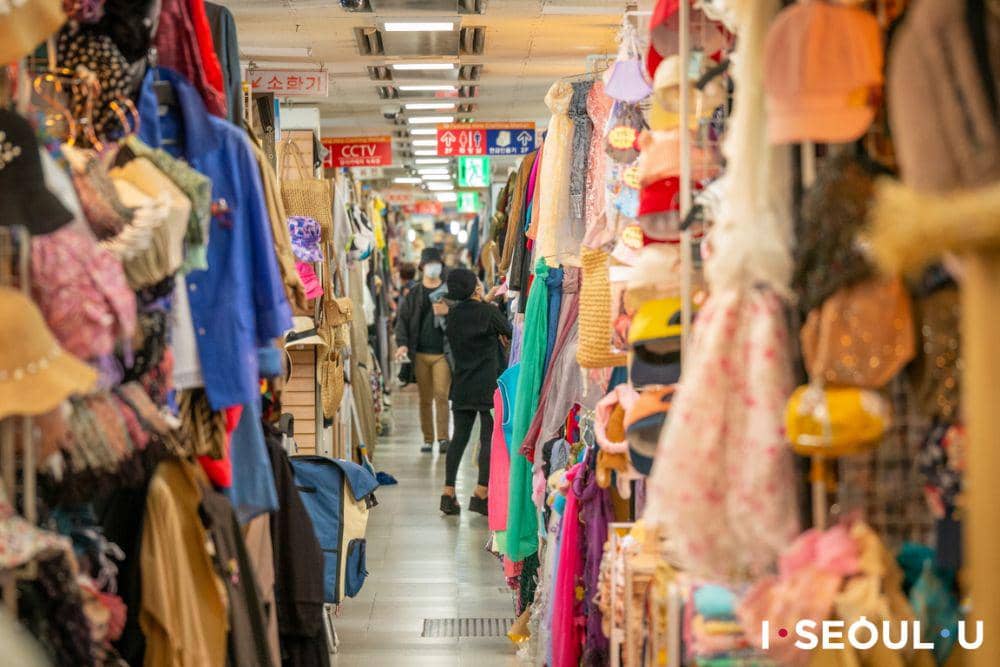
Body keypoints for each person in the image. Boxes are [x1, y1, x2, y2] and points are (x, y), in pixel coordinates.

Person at [438, 268, 513, 516]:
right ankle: (480, 493)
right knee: (487, 439)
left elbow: (473, 318)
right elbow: (511, 332)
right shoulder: (489, 313)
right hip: (488, 386)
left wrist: (485, 300)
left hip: (462, 385)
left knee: (459, 438)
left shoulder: (453, 316)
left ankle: (448, 493)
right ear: (475, 288)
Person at [394, 247, 452, 453]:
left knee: (441, 395)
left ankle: (443, 438)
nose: (433, 267)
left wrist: (449, 310)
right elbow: (402, 320)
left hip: (442, 354)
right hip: (419, 353)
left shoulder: (448, 292)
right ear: (422, 266)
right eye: (429, 264)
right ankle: (428, 439)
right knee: (425, 399)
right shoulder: (414, 294)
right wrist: (402, 343)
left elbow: (460, 319)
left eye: (436, 263)